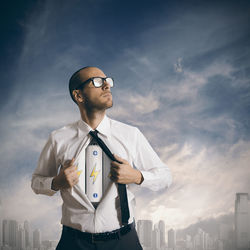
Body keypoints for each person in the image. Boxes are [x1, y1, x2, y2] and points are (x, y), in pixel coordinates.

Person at [31, 66, 172, 250]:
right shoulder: (58, 138)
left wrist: (137, 176)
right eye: (97, 82)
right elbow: (36, 182)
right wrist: (56, 182)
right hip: (74, 243)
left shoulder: (131, 134)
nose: (107, 86)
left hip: (123, 241)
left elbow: (165, 177)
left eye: (108, 81)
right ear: (78, 96)